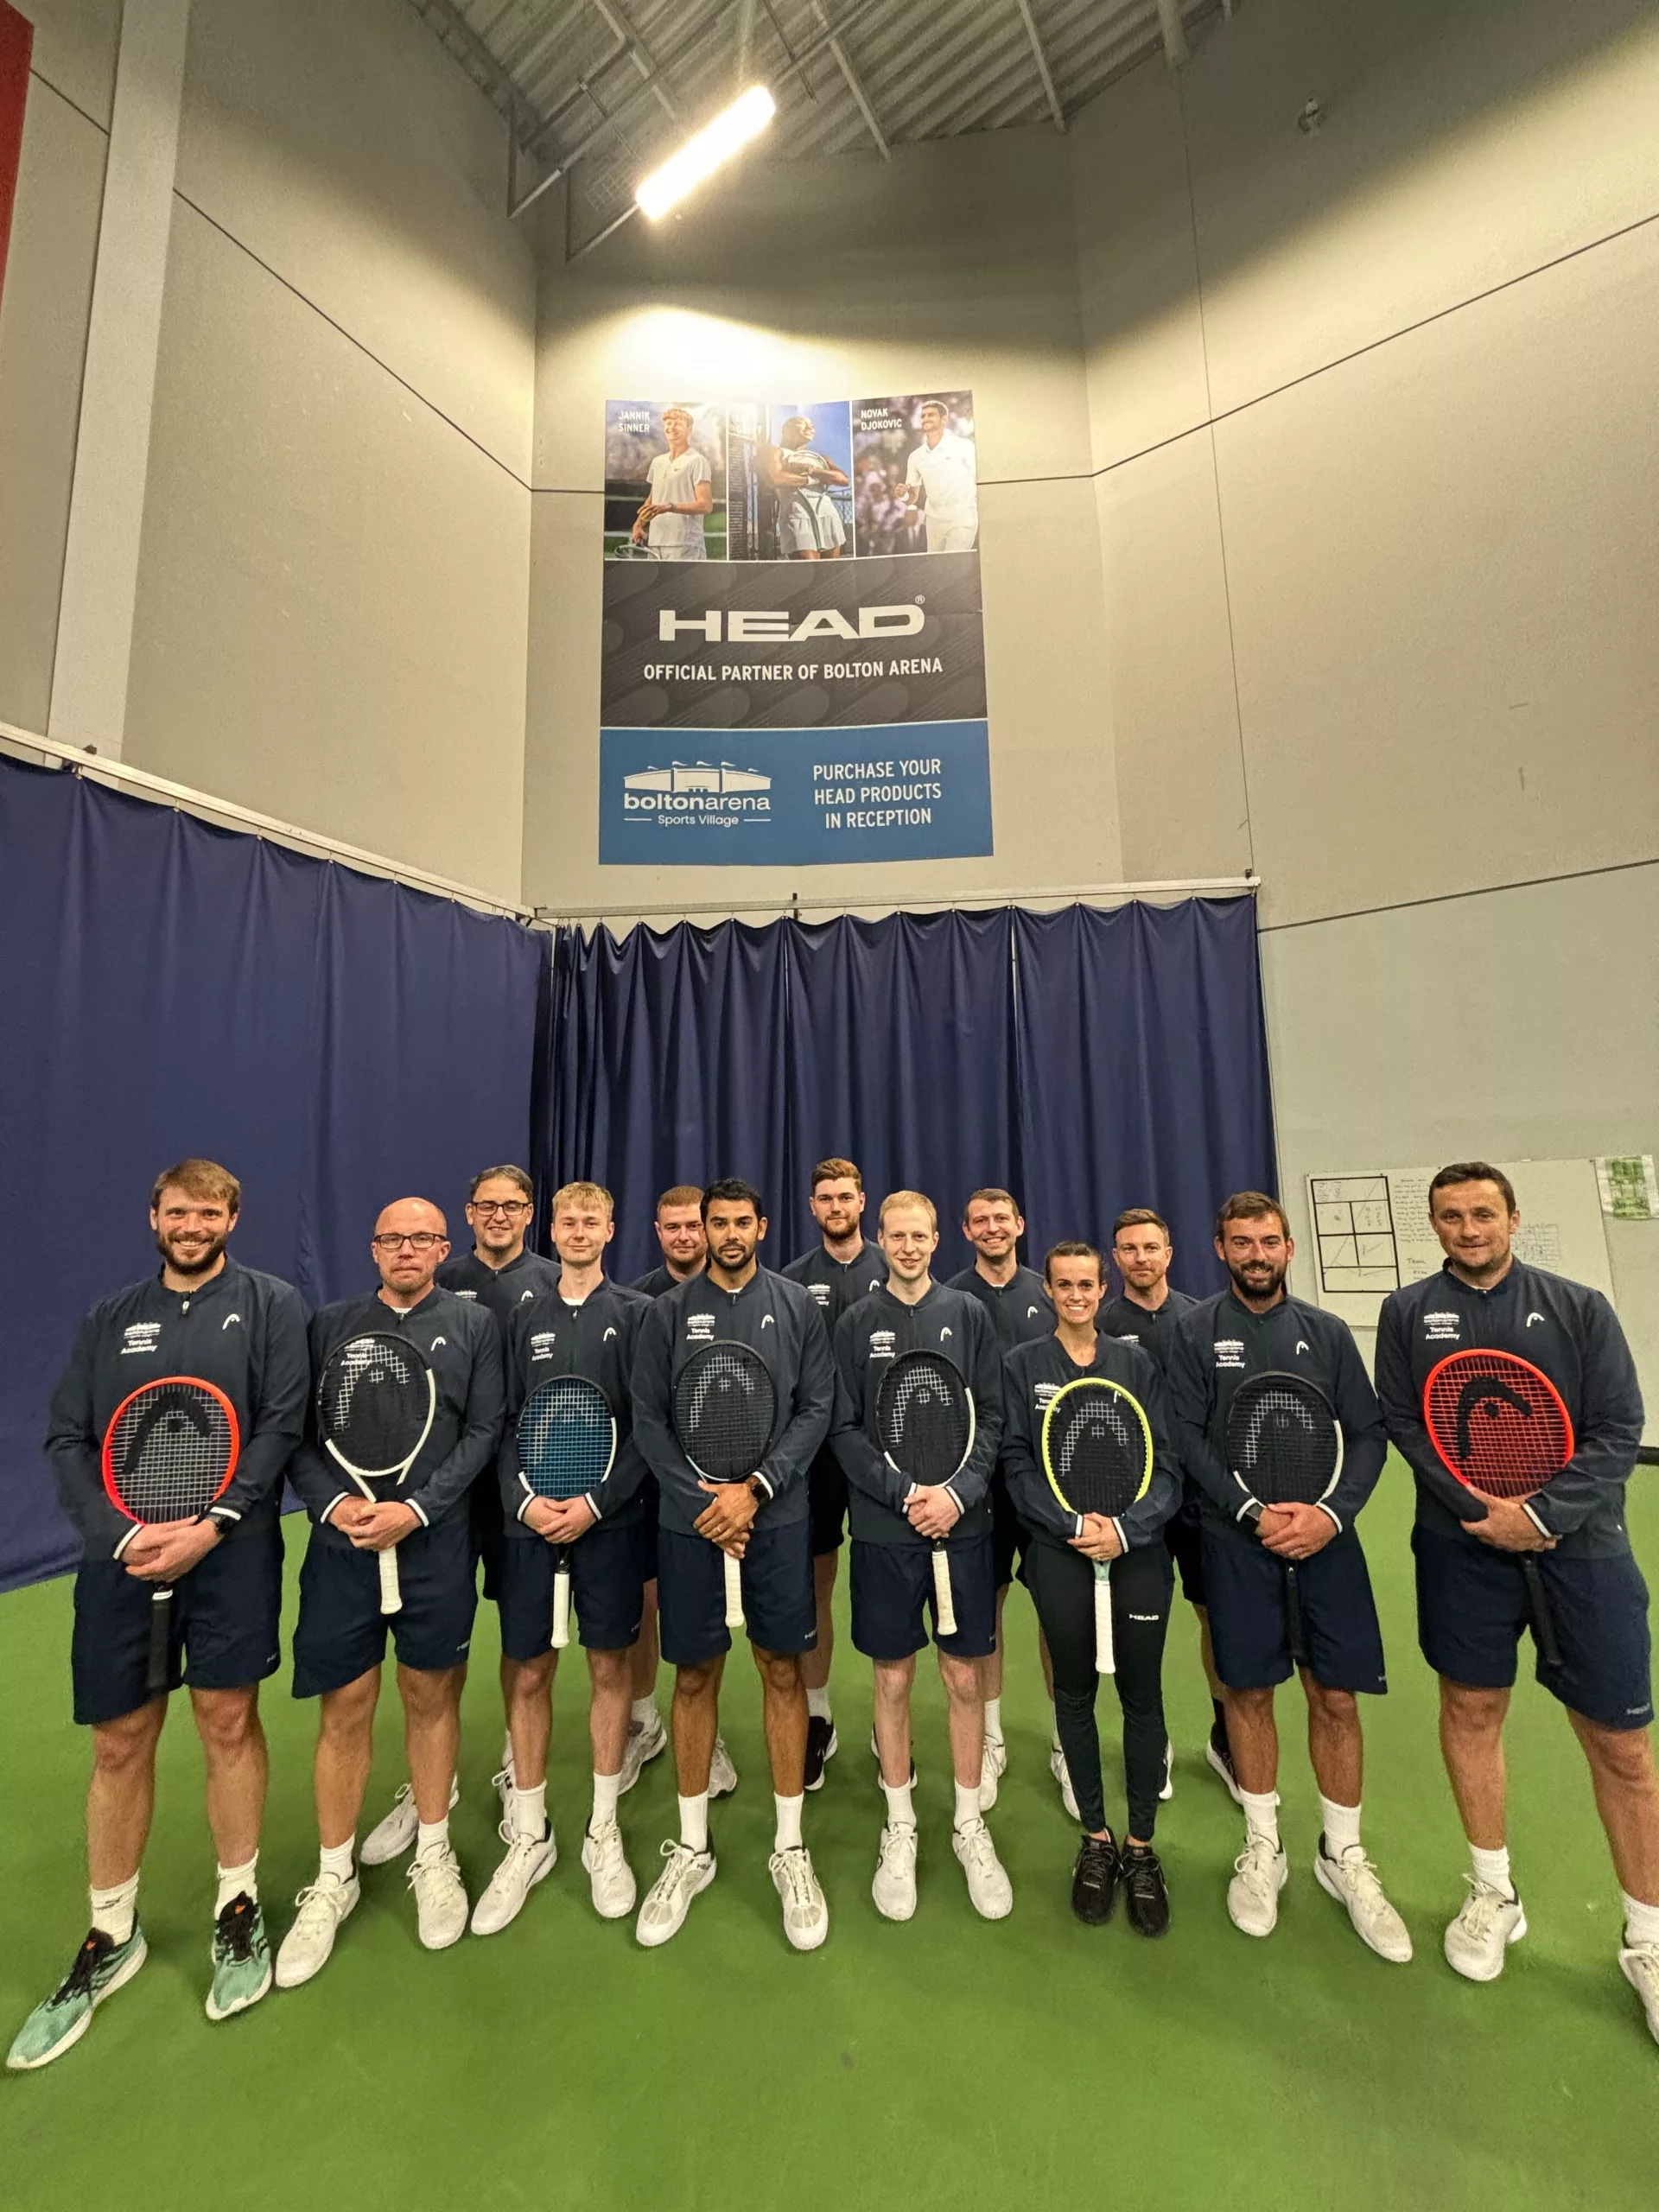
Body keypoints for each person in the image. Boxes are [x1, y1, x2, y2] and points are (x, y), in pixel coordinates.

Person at [10, 1163, 308, 2070]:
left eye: (208, 1210)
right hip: (123, 1558)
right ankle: (111, 1932)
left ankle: (238, 1907)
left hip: (231, 1554)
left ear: (232, 1218)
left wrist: (213, 1524)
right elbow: (69, 1435)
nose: (191, 1223)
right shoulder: (110, 1318)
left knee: (228, 1720)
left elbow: (281, 1423)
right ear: (153, 1217)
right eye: (177, 1210)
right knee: (119, 1741)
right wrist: (123, 1532)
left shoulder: (270, 1304)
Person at [1375, 1162, 1657, 2042]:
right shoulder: (1408, 1312)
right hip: (1464, 1553)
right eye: (1451, 1216)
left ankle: (1647, 1937)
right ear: (1434, 1224)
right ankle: (1493, 1891)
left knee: (1622, 1745)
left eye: (1483, 1213)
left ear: (1512, 1216)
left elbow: (1618, 1428)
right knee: (1471, 1707)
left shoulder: (1580, 1309)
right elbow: (1405, 1423)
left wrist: (1541, 1513)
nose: (1468, 1228)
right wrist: (1479, 1512)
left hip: (1587, 1555)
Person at [1167, 1192, 1410, 1961]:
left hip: (1326, 1541)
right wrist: (1250, 1512)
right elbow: (1188, 1438)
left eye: (1268, 1241)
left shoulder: (1328, 1334)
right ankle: (1263, 1844)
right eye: (1241, 1242)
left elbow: (1368, 1436)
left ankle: (1342, 1856)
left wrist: (1330, 1515)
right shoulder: (1192, 1332)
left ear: (1290, 1247)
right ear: (1220, 1249)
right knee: (1248, 1691)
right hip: (1237, 1540)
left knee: (1333, 1696)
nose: (1257, 1254)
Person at [276, 1199, 503, 1986]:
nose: (407, 1250)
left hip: (435, 1548)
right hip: (343, 1551)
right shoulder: (329, 1326)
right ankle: (332, 1875)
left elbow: (483, 1431)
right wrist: (335, 1506)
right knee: (344, 1709)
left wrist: (416, 1508)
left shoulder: (473, 1328)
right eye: (392, 1239)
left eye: (422, 1238)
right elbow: (298, 1437)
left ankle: (434, 1850)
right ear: (373, 1249)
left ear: (445, 1246)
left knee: (431, 1693)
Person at [631, 1179, 835, 1951]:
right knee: (692, 1677)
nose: (726, 1233)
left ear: (762, 1225)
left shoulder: (798, 1307)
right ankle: (691, 1848)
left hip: (775, 1520)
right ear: (702, 1230)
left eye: (740, 1222)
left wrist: (754, 1491)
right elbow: (648, 1415)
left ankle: (789, 1847)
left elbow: (816, 1407)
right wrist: (704, 1501)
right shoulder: (664, 1315)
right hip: (692, 1526)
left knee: (782, 1669)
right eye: (715, 1223)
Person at [358, 1166, 560, 1866]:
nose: (500, 1216)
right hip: (438, 1503)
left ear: (530, 1213)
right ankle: (427, 1787)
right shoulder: (446, 1281)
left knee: (524, 1643)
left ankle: (515, 1759)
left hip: (516, 1492)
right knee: (432, 1652)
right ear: (467, 1218)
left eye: (513, 1206)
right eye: (487, 1206)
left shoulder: (554, 1281)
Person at [475, 1182, 653, 1933]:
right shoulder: (520, 1314)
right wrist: (524, 1501)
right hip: (529, 1525)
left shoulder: (639, 1316)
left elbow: (649, 1425)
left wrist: (594, 1504)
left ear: (611, 1230)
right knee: (529, 1669)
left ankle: (603, 1827)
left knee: (611, 1666)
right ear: (553, 1228)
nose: (579, 1231)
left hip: (607, 1523)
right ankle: (531, 1833)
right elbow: (502, 1419)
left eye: (593, 1220)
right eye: (568, 1221)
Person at [832, 1192, 1011, 1922]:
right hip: (885, 1530)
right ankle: (900, 1823)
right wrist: (904, 1491)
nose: (908, 1246)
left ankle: (969, 1822)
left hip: (961, 1526)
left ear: (939, 1240)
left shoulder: (969, 1315)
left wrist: (958, 1495)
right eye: (896, 1235)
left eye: (920, 1235)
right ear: (881, 1239)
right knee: (894, 1678)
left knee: (964, 1676)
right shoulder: (854, 1323)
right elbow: (843, 1425)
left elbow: (994, 1416)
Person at [1003, 1243, 1179, 1934]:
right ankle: (1097, 1842)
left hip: (1136, 1554)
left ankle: (1140, 1848)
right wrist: (1072, 1523)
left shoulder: (1138, 1364)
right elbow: (1017, 1463)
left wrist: (1128, 1530)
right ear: (1046, 1290)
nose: (1075, 1294)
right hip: (1059, 1553)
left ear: (1102, 1289)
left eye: (1086, 1284)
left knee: (1142, 1695)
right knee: (1074, 1692)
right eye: (1063, 1285)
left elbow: (1166, 1463)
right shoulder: (1022, 1366)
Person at [1098, 1208, 1232, 1801]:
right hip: (1135, 1504)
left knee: (1213, 1618)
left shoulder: (1202, 1319)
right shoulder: (1101, 1325)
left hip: (1200, 1501)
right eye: (1128, 1249)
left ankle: (1225, 1734)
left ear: (1170, 1253)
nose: (1141, 1258)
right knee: (1140, 1627)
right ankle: (1153, 1744)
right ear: (1116, 1259)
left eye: (1150, 1247)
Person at [781, 1158, 887, 1789]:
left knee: (881, 1590)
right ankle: (818, 1717)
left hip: (879, 1461)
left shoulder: (894, 1271)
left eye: (845, 1195)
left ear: (861, 1200)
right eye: (825, 1197)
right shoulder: (793, 1284)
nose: (836, 1205)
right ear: (813, 1207)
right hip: (815, 1463)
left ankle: (886, 1719)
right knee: (815, 1587)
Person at [946, 1188, 1052, 1806]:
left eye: (1001, 1219)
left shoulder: (1047, 1292)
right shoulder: (954, 1299)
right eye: (980, 1219)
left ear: (1020, 1224)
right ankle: (989, 1735)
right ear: (966, 1229)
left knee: (1052, 1610)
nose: (992, 1228)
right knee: (985, 1612)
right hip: (979, 1483)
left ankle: (1067, 1742)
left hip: (1042, 1484)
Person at [630, 404, 712, 560]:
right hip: (655, 545)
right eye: (668, 423)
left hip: (685, 545)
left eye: (678, 424)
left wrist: (670, 507)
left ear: (689, 429)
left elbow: (705, 505)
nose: (672, 428)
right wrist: (639, 524)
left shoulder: (698, 461)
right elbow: (654, 498)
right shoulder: (657, 462)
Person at [896, 397, 977, 552]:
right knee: (937, 571)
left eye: (931, 415)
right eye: (923, 416)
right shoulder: (915, 456)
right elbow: (912, 497)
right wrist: (902, 496)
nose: (925, 419)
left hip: (962, 519)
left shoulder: (964, 446)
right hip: (934, 523)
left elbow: (978, 478)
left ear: (944, 419)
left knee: (953, 565)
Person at [768, 415, 849, 558]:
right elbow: (777, 478)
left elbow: (843, 479)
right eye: (802, 423)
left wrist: (813, 470)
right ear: (787, 430)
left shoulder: (820, 457)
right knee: (808, 572)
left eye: (811, 425)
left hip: (827, 514)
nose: (810, 427)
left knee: (830, 573)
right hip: (797, 515)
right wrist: (814, 479)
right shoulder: (777, 453)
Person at [632, 1185, 707, 1299]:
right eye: (673, 1227)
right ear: (659, 1231)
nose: (683, 1237)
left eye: (693, 1226)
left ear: (708, 1228)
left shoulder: (733, 1292)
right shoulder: (636, 1299)